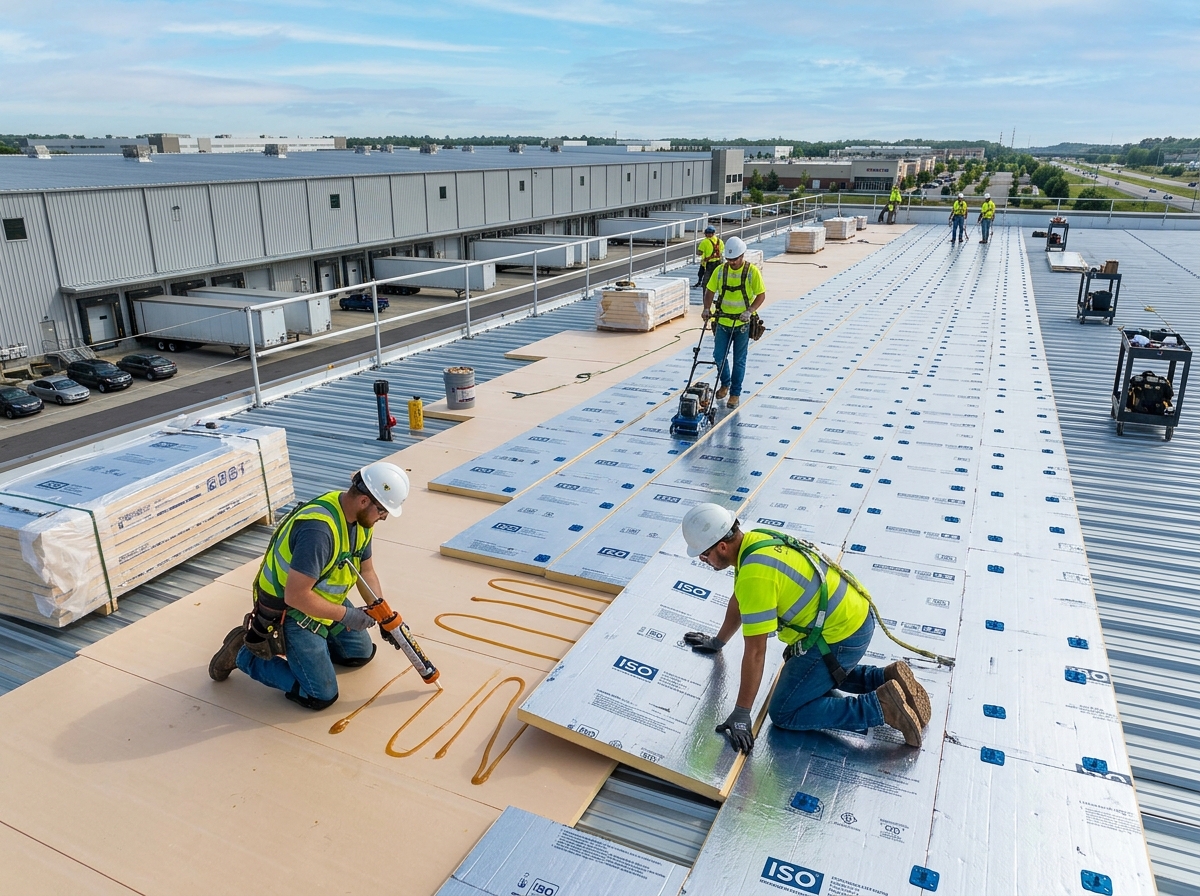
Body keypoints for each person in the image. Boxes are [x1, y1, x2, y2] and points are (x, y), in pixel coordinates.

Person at [678, 503, 930, 752]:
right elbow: (739, 602)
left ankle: (882, 708)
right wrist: (718, 642)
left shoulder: (754, 576)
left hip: (841, 638)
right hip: (854, 618)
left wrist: (742, 713)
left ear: (722, 546)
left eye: (704, 555)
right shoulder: (756, 541)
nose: (703, 560)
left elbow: (755, 653)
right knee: (803, 670)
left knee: (785, 710)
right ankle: (885, 679)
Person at [207, 462, 410, 710]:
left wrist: (384, 615)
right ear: (364, 501)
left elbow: (366, 571)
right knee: (320, 694)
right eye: (382, 510)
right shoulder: (318, 531)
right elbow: (296, 596)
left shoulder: (360, 520)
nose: (384, 517)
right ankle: (244, 654)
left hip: (322, 599)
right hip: (290, 610)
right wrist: (347, 616)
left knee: (360, 653)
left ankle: (310, 650)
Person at [702, 236, 765, 410]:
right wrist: (706, 308)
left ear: (742, 255)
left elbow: (761, 295)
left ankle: (735, 393)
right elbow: (710, 291)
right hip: (723, 322)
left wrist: (749, 311)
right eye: (729, 259)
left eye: (735, 259)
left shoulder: (751, 272)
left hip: (742, 324)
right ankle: (725, 384)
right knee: (718, 356)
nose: (732, 262)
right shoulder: (720, 271)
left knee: (739, 360)